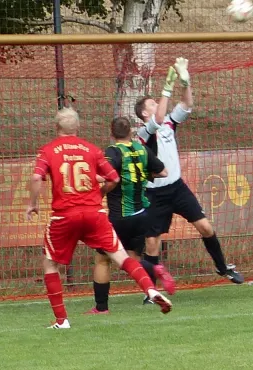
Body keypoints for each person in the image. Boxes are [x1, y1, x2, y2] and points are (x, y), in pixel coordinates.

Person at [26, 107, 172, 329]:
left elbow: (37, 177)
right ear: (78, 127)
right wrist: (97, 193)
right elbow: (112, 178)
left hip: (65, 216)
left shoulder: (48, 150)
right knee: (122, 257)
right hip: (95, 214)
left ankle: (61, 320)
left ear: (57, 128)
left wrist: (33, 204)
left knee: (50, 264)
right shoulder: (91, 149)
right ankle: (150, 290)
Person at [135, 57, 244, 284]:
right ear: (144, 114)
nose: (158, 105)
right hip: (154, 193)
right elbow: (156, 120)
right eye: (153, 104)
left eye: (157, 102)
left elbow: (186, 106)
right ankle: (151, 291)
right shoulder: (144, 131)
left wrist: (185, 84)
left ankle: (223, 268)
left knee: (205, 227)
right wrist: (166, 88)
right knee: (152, 242)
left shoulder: (169, 124)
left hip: (177, 188)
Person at [86, 116, 176, 314]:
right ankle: (154, 269)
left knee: (103, 259)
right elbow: (163, 172)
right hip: (141, 214)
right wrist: (142, 175)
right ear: (130, 133)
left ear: (112, 132)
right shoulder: (142, 149)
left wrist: (96, 187)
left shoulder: (113, 151)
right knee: (132, 260)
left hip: (120, 215)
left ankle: (101, 308)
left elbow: (108, 177)